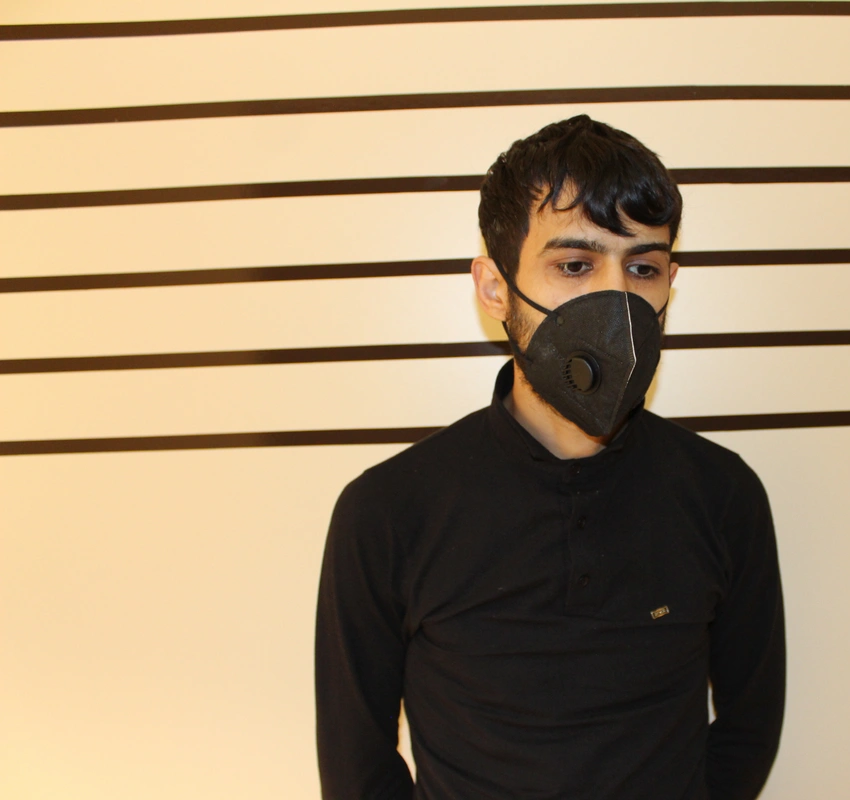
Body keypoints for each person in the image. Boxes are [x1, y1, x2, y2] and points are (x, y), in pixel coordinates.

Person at [315, 115, 786, 799]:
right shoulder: (388, 511)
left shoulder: (722, 494)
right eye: (574, 265)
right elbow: (356, 764)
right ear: (494, 287)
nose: (616, 300)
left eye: (644, 268)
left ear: (671, 283)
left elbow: (749, 726)